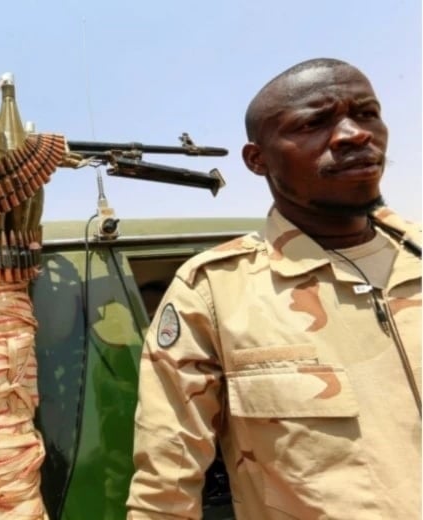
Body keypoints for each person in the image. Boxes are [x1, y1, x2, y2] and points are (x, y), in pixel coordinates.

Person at [126, 58, 421, 519]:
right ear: (256, 159)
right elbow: (165, 490)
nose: (354, 134)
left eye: (366, 113)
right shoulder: (215, 293)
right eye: (314, 123)